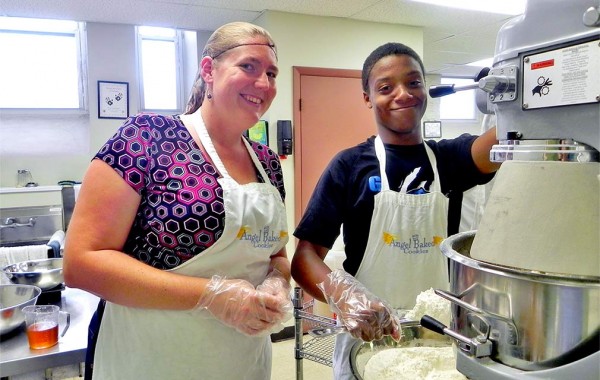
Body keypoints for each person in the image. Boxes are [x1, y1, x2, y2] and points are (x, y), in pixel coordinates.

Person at [63, 21, 292, 380]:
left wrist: (277, 281)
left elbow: (276, 253)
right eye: (248, 66)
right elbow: (81, 263)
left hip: (243, 363)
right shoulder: (147, 137)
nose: (263, 84)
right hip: (151, 360)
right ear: (208, 70)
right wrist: (211, 295)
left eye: (272, 73)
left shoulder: (267, 163)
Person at [291, 42, 500, 379]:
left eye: (414, 82)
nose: (403, 94)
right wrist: (345, 299)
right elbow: (305, 257)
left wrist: (517, 89)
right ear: (367, 97)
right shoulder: (349, 166)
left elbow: (506, 138)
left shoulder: (451, 160)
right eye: (386, 87)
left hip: (437, 337)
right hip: (367, 338)